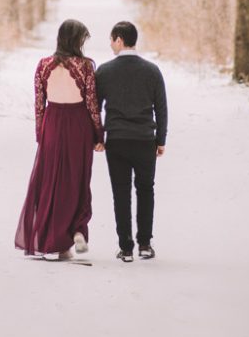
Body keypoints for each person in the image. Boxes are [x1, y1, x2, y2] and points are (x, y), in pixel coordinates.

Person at [15, 19, 105, 260]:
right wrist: (99, 134)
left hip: (52, 124)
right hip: (79, 125)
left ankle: (51, 240)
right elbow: (92, 105)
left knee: (50, 181)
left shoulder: (44, 65)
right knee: (77, 179)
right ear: (76, 40)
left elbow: (38, 104)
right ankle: (77, 230)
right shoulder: (85, 66)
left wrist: (40, 134)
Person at [95, 20, 167, 262]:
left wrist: (99, 137)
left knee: (121, 192)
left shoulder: (104, 71)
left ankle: (126, 247)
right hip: (145, 139)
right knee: (146, 190)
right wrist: (161, 140)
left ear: (119, 40)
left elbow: (95, 108)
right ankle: (145, 244)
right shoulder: (152, 71)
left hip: (117, 139)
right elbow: (161, 109)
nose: (110, 45)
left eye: (111, 40)